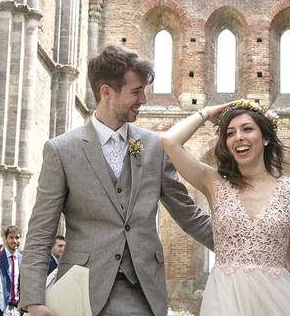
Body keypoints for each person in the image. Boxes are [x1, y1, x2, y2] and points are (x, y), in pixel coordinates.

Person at [20, 45, 213, 316]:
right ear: (106, 92)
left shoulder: (155, 147)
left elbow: (189, 215)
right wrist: (33, 300)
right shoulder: (61, 151)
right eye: (136, 91)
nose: (143, 99)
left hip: (143, 293)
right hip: (82, 295)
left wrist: (249, 243)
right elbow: (41, 232)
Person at [160, 98, 290, 315]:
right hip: (225, 298)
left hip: (276, 301)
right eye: (230, 133)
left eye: (247, 129)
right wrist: (207, 112)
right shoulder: (213, 182)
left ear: (265, 137)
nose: (238, 137)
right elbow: (169, 141)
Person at [0, 226, 21, 314]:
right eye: (11, 237)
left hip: (18, 308)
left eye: (17, 237)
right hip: (2, 307)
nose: (15, 241)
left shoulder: (23, 260)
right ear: (5, 239)